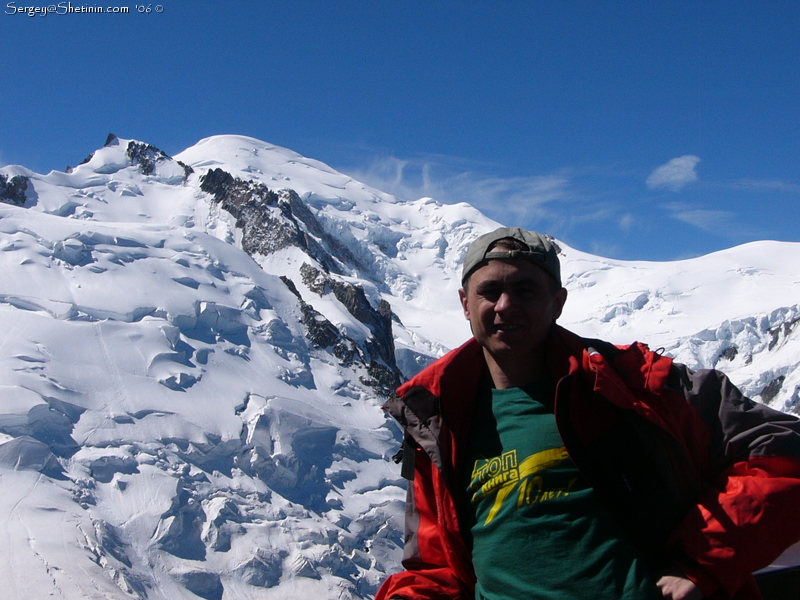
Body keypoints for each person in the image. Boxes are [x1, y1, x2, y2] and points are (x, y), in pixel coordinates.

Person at [376, 227, 800, 600]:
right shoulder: (437, 421)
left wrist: (702, 560)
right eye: (489, 291)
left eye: (525, 290)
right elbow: (437, 570)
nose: (505, 305)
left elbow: (784, 454)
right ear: (465, 304)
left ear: (557, 302)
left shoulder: (639, 385)